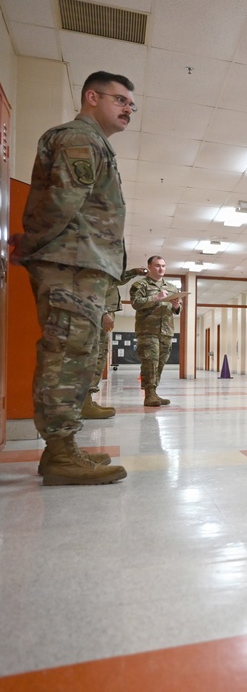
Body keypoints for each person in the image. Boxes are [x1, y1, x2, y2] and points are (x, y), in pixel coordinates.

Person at [11, 70, 136, 485]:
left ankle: (63, 448)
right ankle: (60, 452)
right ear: (91, 97)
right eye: (120, 100)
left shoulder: (94, 144)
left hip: (85, 263)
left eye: (131, 104)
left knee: (76, 353)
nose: (128, 109)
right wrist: (33, 245)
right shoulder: (78, 138)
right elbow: (63, 201)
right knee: (66, 353)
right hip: (71, 262)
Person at [82, 264, 147, 419]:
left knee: (100, 355)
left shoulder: (105, 266)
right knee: (93, 356)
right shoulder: (92, 261)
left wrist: (133, 272)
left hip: (104, 312)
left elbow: (114, 280)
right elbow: (86, 286)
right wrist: (102, 311)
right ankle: (82, 404)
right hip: (97, 313)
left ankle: (86, 400)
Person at [130, 255, 183, 407]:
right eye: (158, 265)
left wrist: (176, 306)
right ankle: (149, 394)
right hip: (148, 330)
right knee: (150, 361)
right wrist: (156, 298)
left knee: (160, 362)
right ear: (150, 267)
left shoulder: (172, 287)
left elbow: (178, 308)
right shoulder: (140, 285)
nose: (161, 268)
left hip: (166, 331)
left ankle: (154, 391)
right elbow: (136, 304)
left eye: (163, 266)